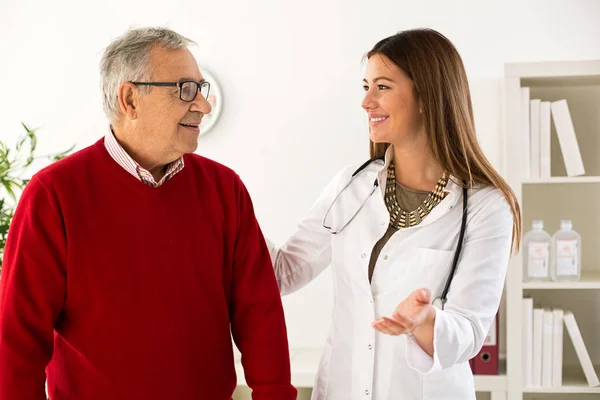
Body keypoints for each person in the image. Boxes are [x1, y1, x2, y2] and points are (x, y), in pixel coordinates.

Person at [0, 27, 296, 400]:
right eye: (185, 89)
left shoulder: (225, 189)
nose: (203, 105)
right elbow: (18, 340)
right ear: (130, 99)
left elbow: (260, 312)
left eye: (200, 90)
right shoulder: (52, 196)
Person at [266, 28, 521, 400]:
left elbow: (469, 332)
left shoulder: (485, 206)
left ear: (427, 97)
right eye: (365, 86)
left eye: (382, 87)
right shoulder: (350, 187)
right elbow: (284, 272)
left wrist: (425, 321)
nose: (366, 102)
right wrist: (230, 208)